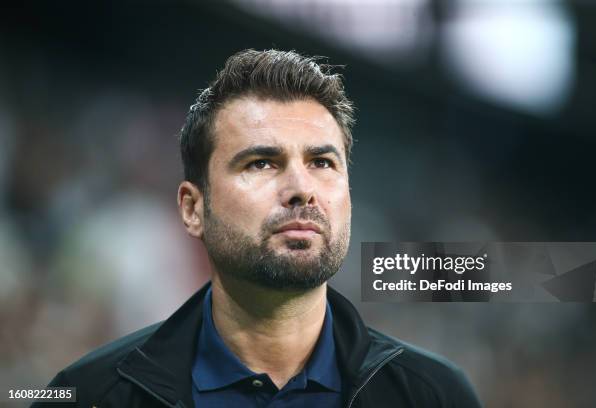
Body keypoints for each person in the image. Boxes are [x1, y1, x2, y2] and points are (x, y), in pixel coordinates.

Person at [35, 49, 482, 407]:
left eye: (322, 162)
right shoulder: (85, 396)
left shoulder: (437, 394)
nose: (301, 190)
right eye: (262, 162)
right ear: (193, 207)